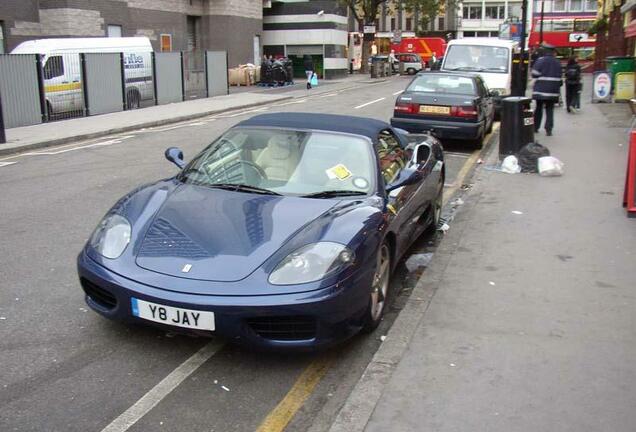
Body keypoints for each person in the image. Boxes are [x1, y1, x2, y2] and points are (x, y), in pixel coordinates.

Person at [531, 44, 562, 136]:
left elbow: (534, 74)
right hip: (553, 90)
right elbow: (560, 75)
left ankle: (536, 127)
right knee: (550, 109)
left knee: (539, 108)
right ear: (553, 52)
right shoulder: (557, 62)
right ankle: (549, 129)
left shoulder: (540, 61)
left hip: (540, 90)